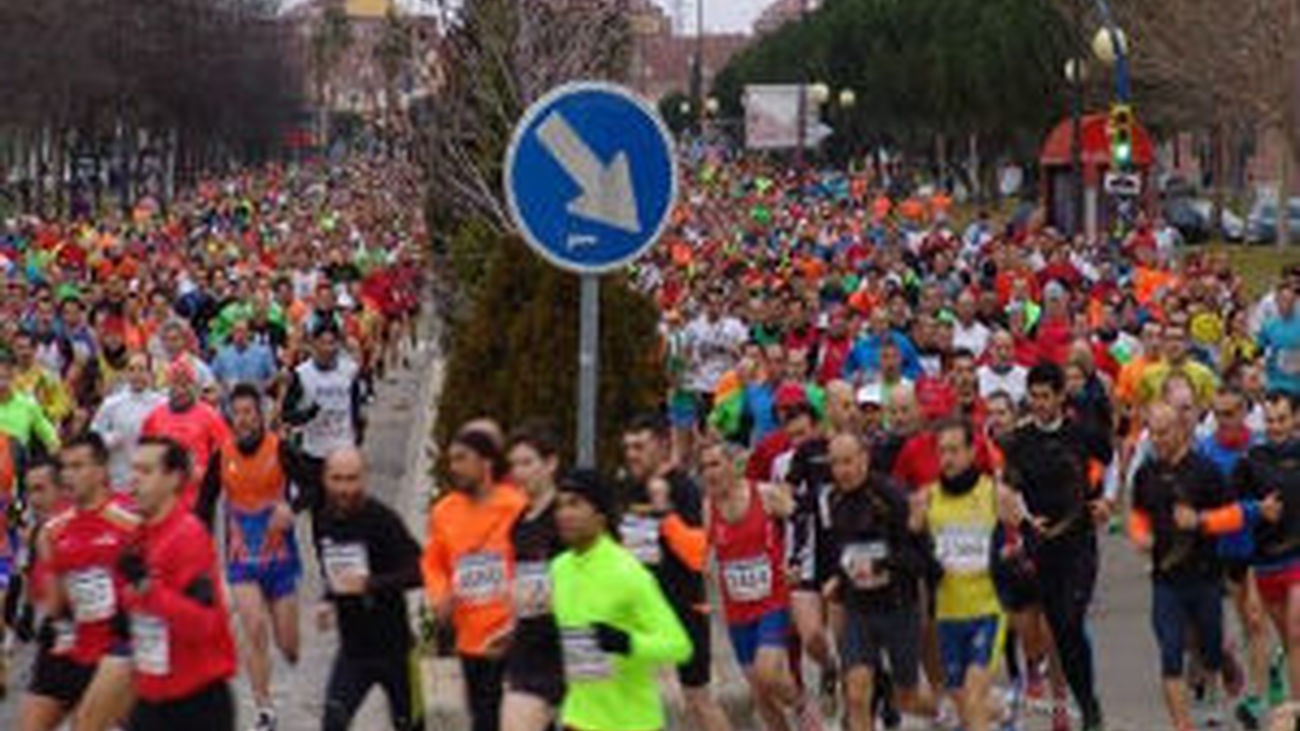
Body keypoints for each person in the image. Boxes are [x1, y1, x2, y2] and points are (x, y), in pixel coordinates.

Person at [195, 383, 316, 731]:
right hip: (241, 559)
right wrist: (197, 547)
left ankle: (286, 649)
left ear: (261, 415)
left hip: (280, 559)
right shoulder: (223, 455)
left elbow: (313, 487)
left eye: (250, 413)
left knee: (289, 644)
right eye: (238, 413)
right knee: (253, 626)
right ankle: (265, 709)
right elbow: (204, 505)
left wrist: (291, 509)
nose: (244, 420)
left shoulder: (281, 450)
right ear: (230, 416)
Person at [1002, 363, 1112, 731]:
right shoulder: (1019, 441)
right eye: (1033, 397)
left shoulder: (1081, 434)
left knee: (1069, 620)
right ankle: (1083, 698)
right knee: (1059, 629)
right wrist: (1023, 518)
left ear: (1060, 397)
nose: (1039, 404)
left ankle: (1087, 703)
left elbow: (1110, 463)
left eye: (1045, 396)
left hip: (1078, 542)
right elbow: (1010, 488)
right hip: (1041, 544)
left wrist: (1106, 500)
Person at [549, 468, 692, 731]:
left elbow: (678, 646)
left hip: (632, 723)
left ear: (600, 516)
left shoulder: (628, 572)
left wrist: (627, 642)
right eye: (560, 505)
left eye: (575, 505)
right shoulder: (558, 569)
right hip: (578, 720)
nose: (564, 514)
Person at [621, 413, 732, 731]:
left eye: (640, 446)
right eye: (628, 447)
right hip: (641, 612)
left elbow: (697, 555)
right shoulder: (630, 488)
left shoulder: (683, 488)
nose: (632, 454)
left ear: (662, 445)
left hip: (684, 608)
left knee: (697, 698)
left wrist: (664, 512)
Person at [1129, 402, 1235, 731]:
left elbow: (1233, 518)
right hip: (1166, 580)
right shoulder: (1146, 473)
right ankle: (1182, 724)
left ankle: (1216, 678)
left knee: (1209, 648)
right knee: (1171, 655)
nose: (1157, 440)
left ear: (1181, 430)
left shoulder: (1207, 471)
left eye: (1164, 433)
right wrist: (1140, 535)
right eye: (1153, 433)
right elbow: (1138, 515)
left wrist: (1200, 520)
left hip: (1204, 577)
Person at [21, 433, 138, 731]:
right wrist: (48, 579)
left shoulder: (131, 519)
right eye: (65, 467)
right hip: (66, 646)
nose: (68, 475)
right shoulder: (53, 529)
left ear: (101, 470)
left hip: (115, 651)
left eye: (78, 466)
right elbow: (48, 599)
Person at [119, 436, 237, 730]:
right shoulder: (138, 535)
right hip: (151, 696)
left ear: (173, 479)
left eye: (146, 471)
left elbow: (204, 623)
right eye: (132, 470)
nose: (134, 480)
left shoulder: (188, 536)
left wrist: (148, 590)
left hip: (195, 704)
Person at [700, 439, 814, 731]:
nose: (709, 473)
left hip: (771, 602)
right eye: (704, 467)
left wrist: (794, 561)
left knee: (766, 673)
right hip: (737, 611)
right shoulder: (708, 508)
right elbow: (704, 552)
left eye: (715, 464)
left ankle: (802, 707)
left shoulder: (763, 494)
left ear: (732, 467)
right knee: (761, 695)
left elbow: (800, 518)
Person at [824, 432, 935, 731]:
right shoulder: (834, 499)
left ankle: (957, 712)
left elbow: (921, 559)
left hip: (898, 607)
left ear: (864, 459)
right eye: (835, 464)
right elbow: (843, 552)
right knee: (857, 695)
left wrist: (881, 564)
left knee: (906, 698)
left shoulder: (891, 496)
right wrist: (838, 577)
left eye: (847, 462)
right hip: (859, 610)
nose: (842, 471)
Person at [421, 426, 524, 731]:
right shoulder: (444, 512)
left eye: (462, 459)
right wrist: (439, 597)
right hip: (470, 638)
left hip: (512, 635)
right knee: (482, 719)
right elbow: (433, 562)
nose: (454, 468)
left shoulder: (516, 506)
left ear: (486, 463)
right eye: (451, 461)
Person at [315, 446, 426, 731]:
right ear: (325, 479)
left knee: (411, 725)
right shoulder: (323, 520)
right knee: (333, 722)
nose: (344, 488)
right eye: (337, 479)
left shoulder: (383, 521)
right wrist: (327, 600)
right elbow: (335, 572)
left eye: (351, 479)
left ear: (364, 479)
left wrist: (371, 585)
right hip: (353, 651)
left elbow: (421, 571)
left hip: (396, 650)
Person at [911, 419, 1010, 731]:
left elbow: (1023, 538)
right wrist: (914, 524)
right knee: (959, 696)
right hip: (948, 613)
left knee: (973, 694)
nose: (948, 459)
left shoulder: (994, 494)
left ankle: (991, 711)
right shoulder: (928, 499)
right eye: (942, 452)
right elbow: (913, 551)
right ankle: (1002, 713)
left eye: (955, 450)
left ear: (971, 452)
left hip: (989, 610)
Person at [501, 427, 566, 731]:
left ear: (550, 464)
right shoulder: (519, 522)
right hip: (529, 647)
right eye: (514, 465)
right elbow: (525, 583)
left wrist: (550, 597)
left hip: (568, 646)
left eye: (527, 463)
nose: (519, 472)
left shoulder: (567, 517)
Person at [139, 359, 231, 510]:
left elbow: (227, 453)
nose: (180, 390)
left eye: (185, 384)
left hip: (200, 499)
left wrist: (207, 475)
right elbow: (144, 454)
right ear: (169, 385)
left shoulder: (210, 416)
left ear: (193, 386)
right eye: (176, 384)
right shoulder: (155, 417)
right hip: (165, 499)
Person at [283, 320, 364, 462]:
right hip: (314, 451)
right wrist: (308, 414)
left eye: (332, 343)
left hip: (342, 448)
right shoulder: (302, 374)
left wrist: (358, 431)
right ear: (313, 344)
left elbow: (355, 406)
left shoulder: (349, 371)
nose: (328, 349)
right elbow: (287, 414)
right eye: (323, 343)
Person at [90, 351, 164, 491]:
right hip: (119, 479)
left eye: (141, 369)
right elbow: (93, 438)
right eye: (131, 369)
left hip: (151, 480)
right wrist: (109, 439)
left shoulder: (161, 404)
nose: (136, 374)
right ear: (125, 374)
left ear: (150, 373)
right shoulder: (112, 403)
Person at [0, 351, 60, 458]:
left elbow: (51, 439)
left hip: (18, 465)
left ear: (13, 377)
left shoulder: (28, 405)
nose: (2, 384)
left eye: (5, 378)